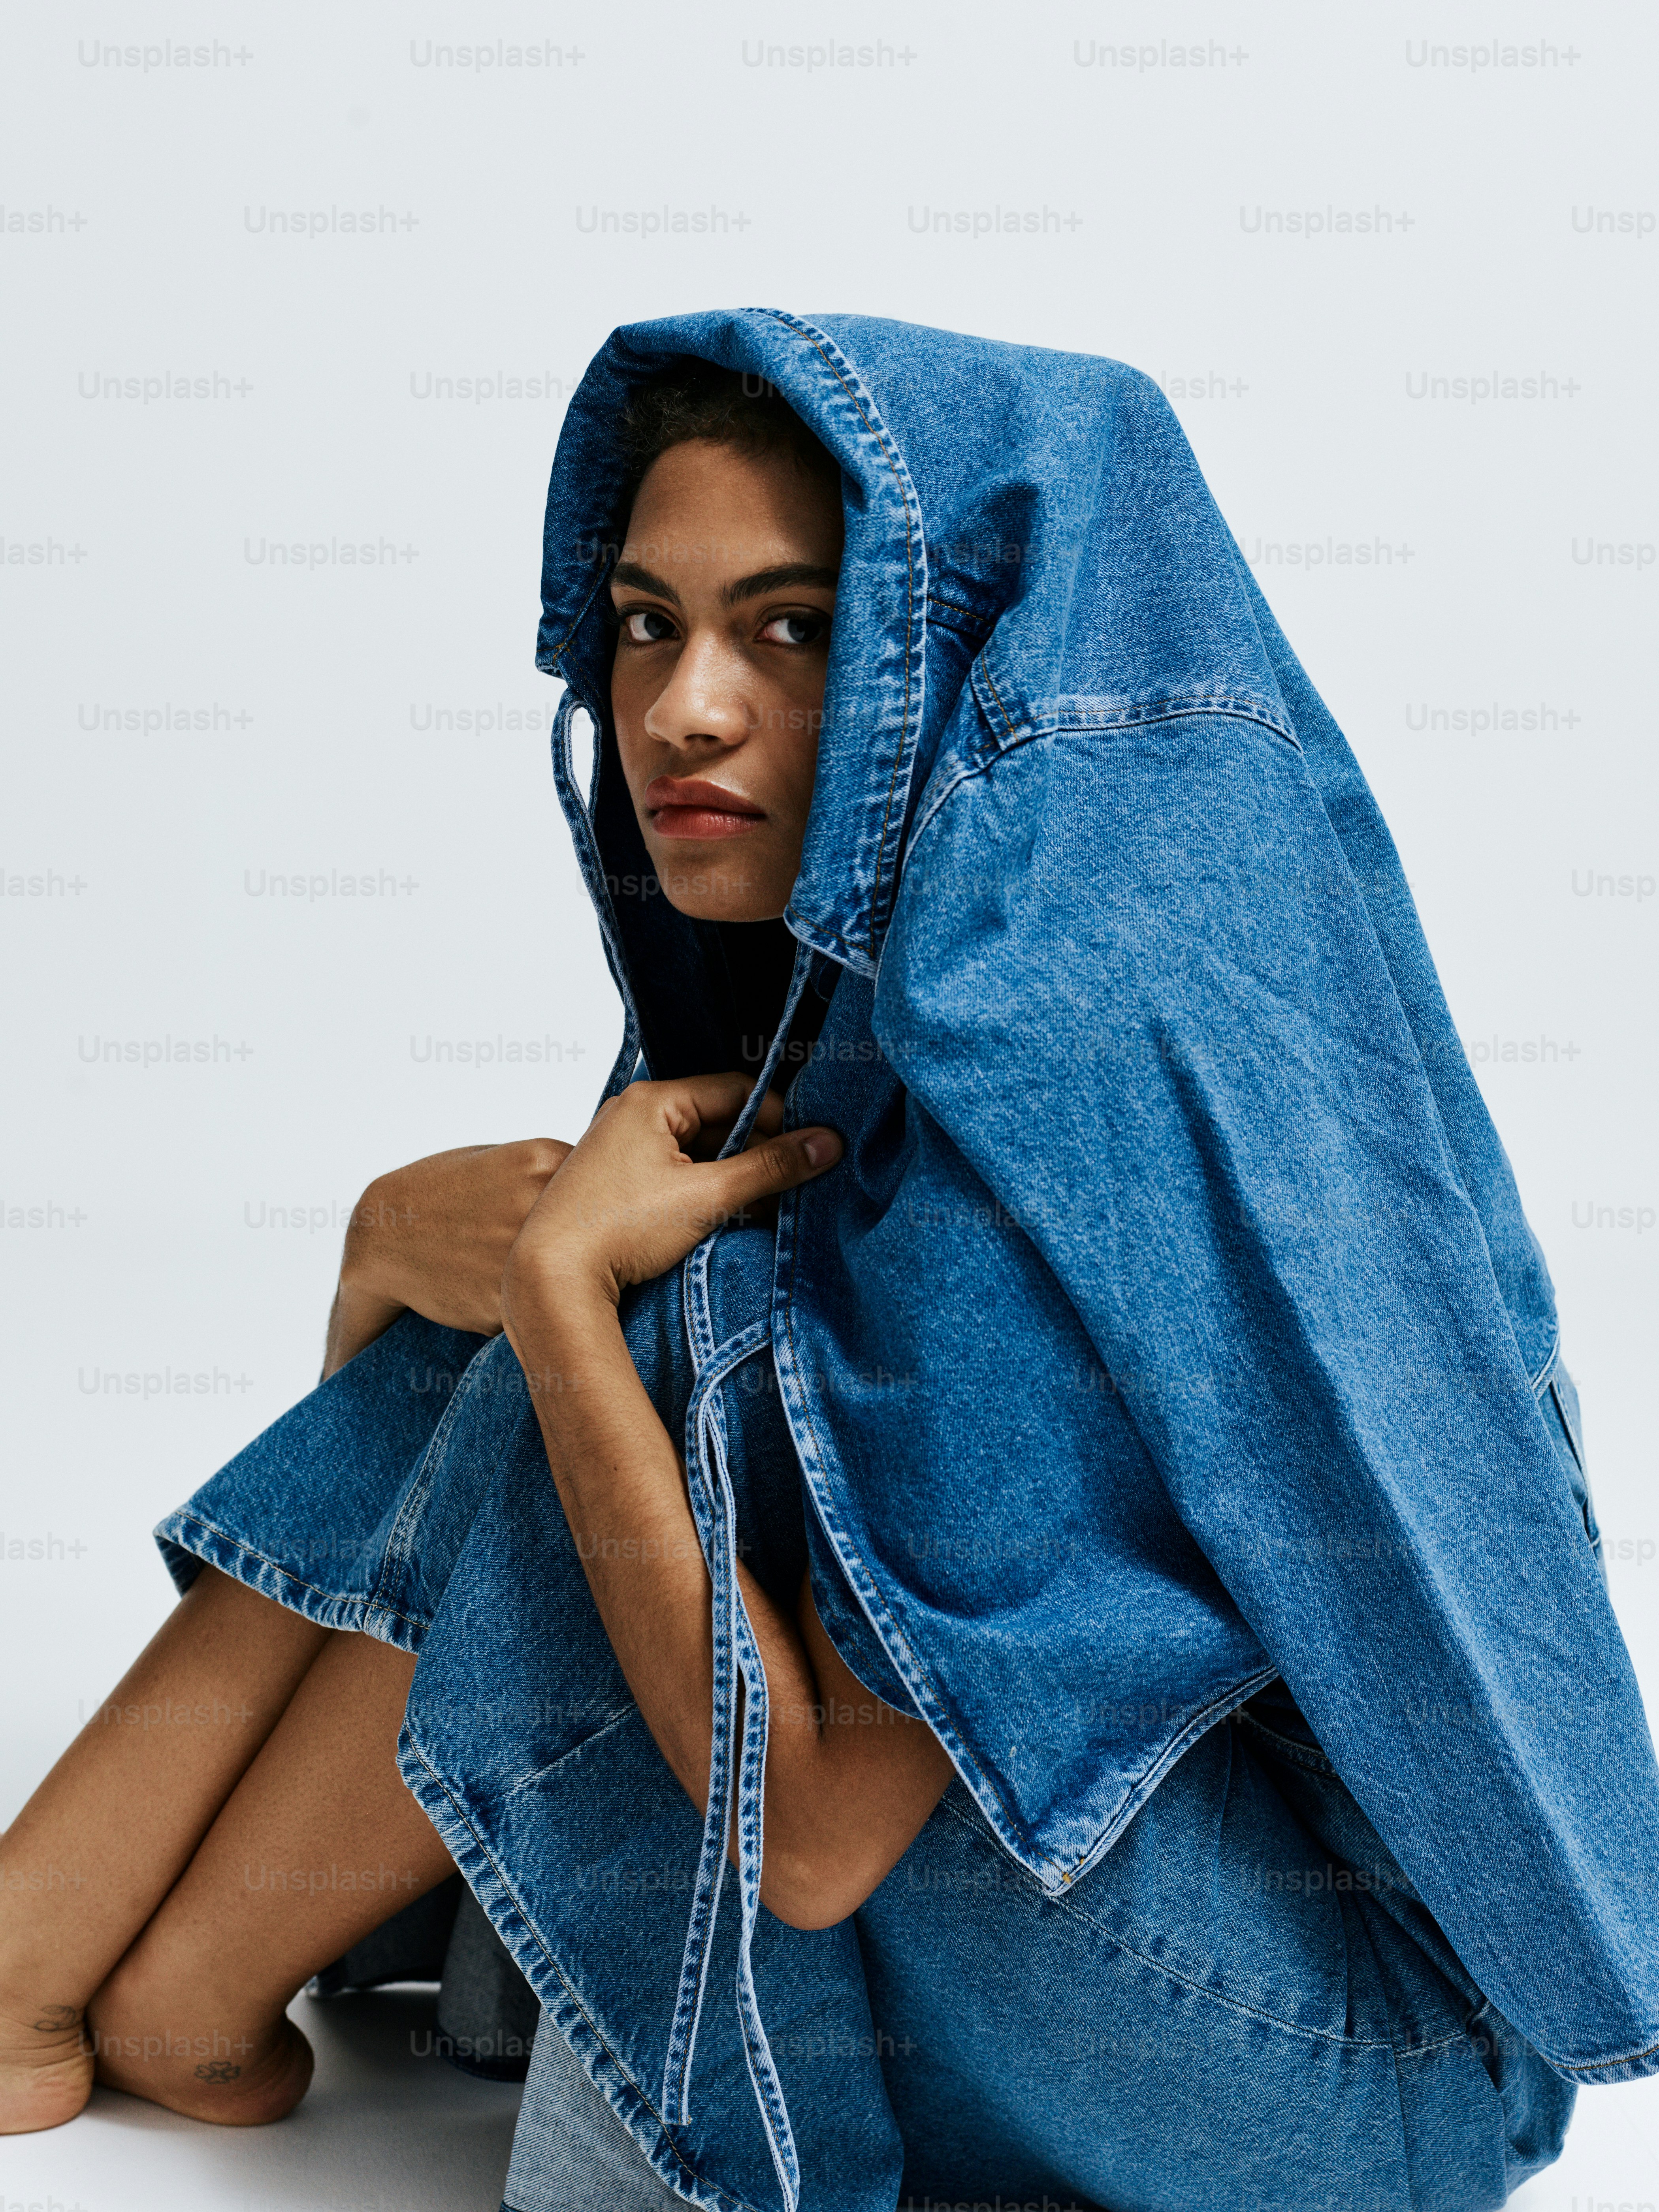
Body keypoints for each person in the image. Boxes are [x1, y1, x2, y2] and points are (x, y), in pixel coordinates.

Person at [3, 314, 1656, 2212]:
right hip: (1168, 1931)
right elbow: (459, 1488)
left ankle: (109, 1969)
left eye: (793, 629)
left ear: (940, 668)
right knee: (618, 1283)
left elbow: (810, 1838)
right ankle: (137, 1981)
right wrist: (403, 1256)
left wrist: (562, 1309)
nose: (682, 709)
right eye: (646, 623)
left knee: (627, 1326)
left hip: (1345, 2062)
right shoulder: (873, 980)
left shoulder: (1065, 1061)